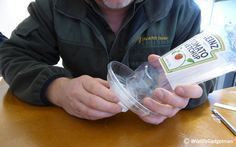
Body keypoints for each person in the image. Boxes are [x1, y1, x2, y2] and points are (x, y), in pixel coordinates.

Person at [0, 0, 215, 124]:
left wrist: (183, 97)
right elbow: (12, 54)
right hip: (76, 132)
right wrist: (57, 89)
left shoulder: (182, 9)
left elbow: (205, 78)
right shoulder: (53, 6)